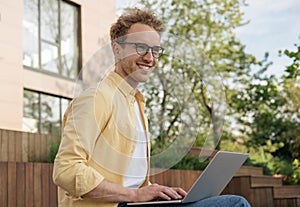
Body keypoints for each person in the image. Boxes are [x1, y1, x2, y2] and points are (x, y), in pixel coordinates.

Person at [53, 8, 251, 207]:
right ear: (117, 49)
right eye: (140, 47)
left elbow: (132, 183)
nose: (149, 58)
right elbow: (66, 170)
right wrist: (134, 195)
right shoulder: (96, 98)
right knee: (235, 204)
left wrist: (155, 192)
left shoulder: (136, 105)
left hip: (130, 203)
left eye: (155, 50)